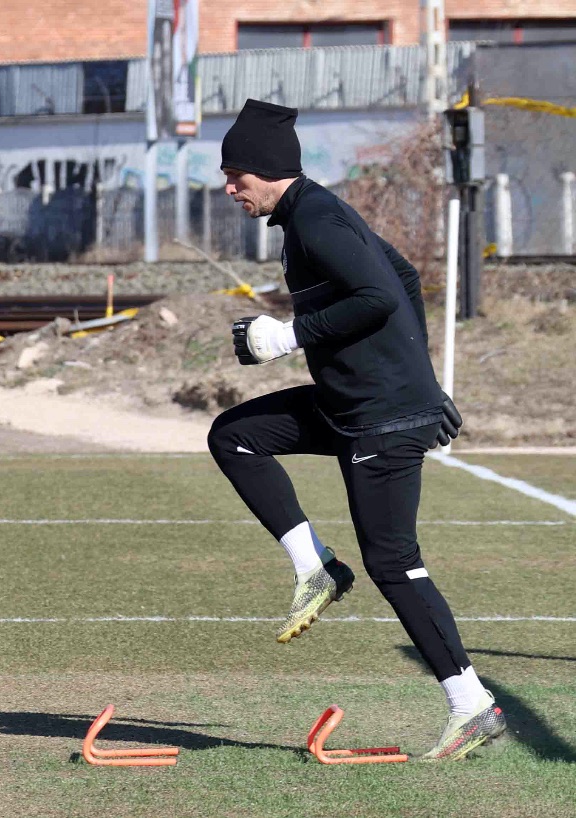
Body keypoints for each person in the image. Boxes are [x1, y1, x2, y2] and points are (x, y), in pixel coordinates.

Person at [208, 99, 506, 761]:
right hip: (353, 405)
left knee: (394, 564)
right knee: (235, 435)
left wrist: (289, 336)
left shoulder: (316, 219)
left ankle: (473, 705)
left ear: (266, 168)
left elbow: (377, 296)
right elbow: (401, 277)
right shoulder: (310, 214)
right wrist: (424, 381)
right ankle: (315, 567)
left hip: (382, 418)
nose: (229, 188)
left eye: (235, 176)